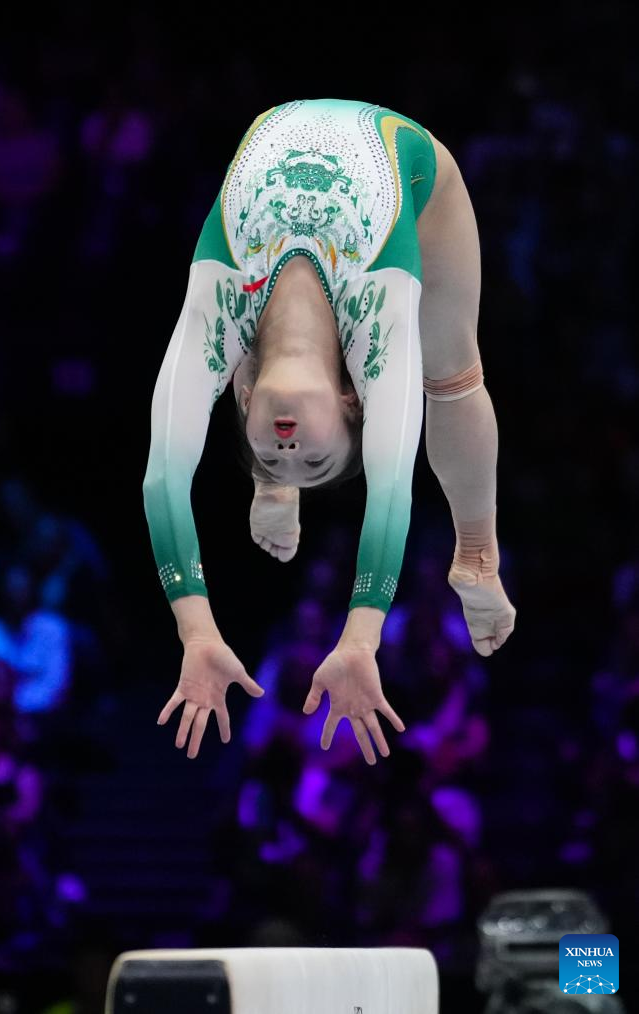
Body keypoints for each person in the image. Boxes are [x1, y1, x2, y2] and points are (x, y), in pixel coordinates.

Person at [142, 97, 516, 765]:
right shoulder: (379, 326)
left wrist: (195, 630)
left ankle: (275, 491)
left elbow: (163, 480)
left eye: (272, 456)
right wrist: (360, 639)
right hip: (416, 174)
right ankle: (478, 556)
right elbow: (391, 490)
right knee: (450, 377)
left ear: (244, 399)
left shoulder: (216, 307)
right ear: (353, 400)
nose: (287, 448)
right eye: (310, 462)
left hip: (281, 121)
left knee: (234, 348)